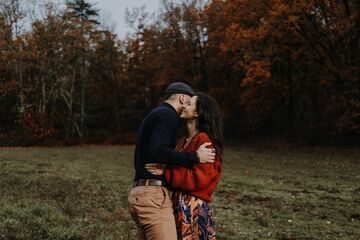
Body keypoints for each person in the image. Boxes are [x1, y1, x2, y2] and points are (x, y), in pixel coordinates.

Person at [128, 82, 216, 240]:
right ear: (182, 98)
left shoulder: (155, 114)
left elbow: (205, 176)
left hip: (140, 193)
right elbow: (158, 151)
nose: (187, 105)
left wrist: (167, 171)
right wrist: (195, 157)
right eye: (188, 101)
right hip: (152, 197)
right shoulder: (168, 115)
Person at [146, 92, 223, 240]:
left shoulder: (204, 140)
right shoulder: (182, 142)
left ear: (198, 113)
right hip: (178, 205)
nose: (184, 105)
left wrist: (166, 172)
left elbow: (199, 178)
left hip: (194, 208)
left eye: (189, 103)